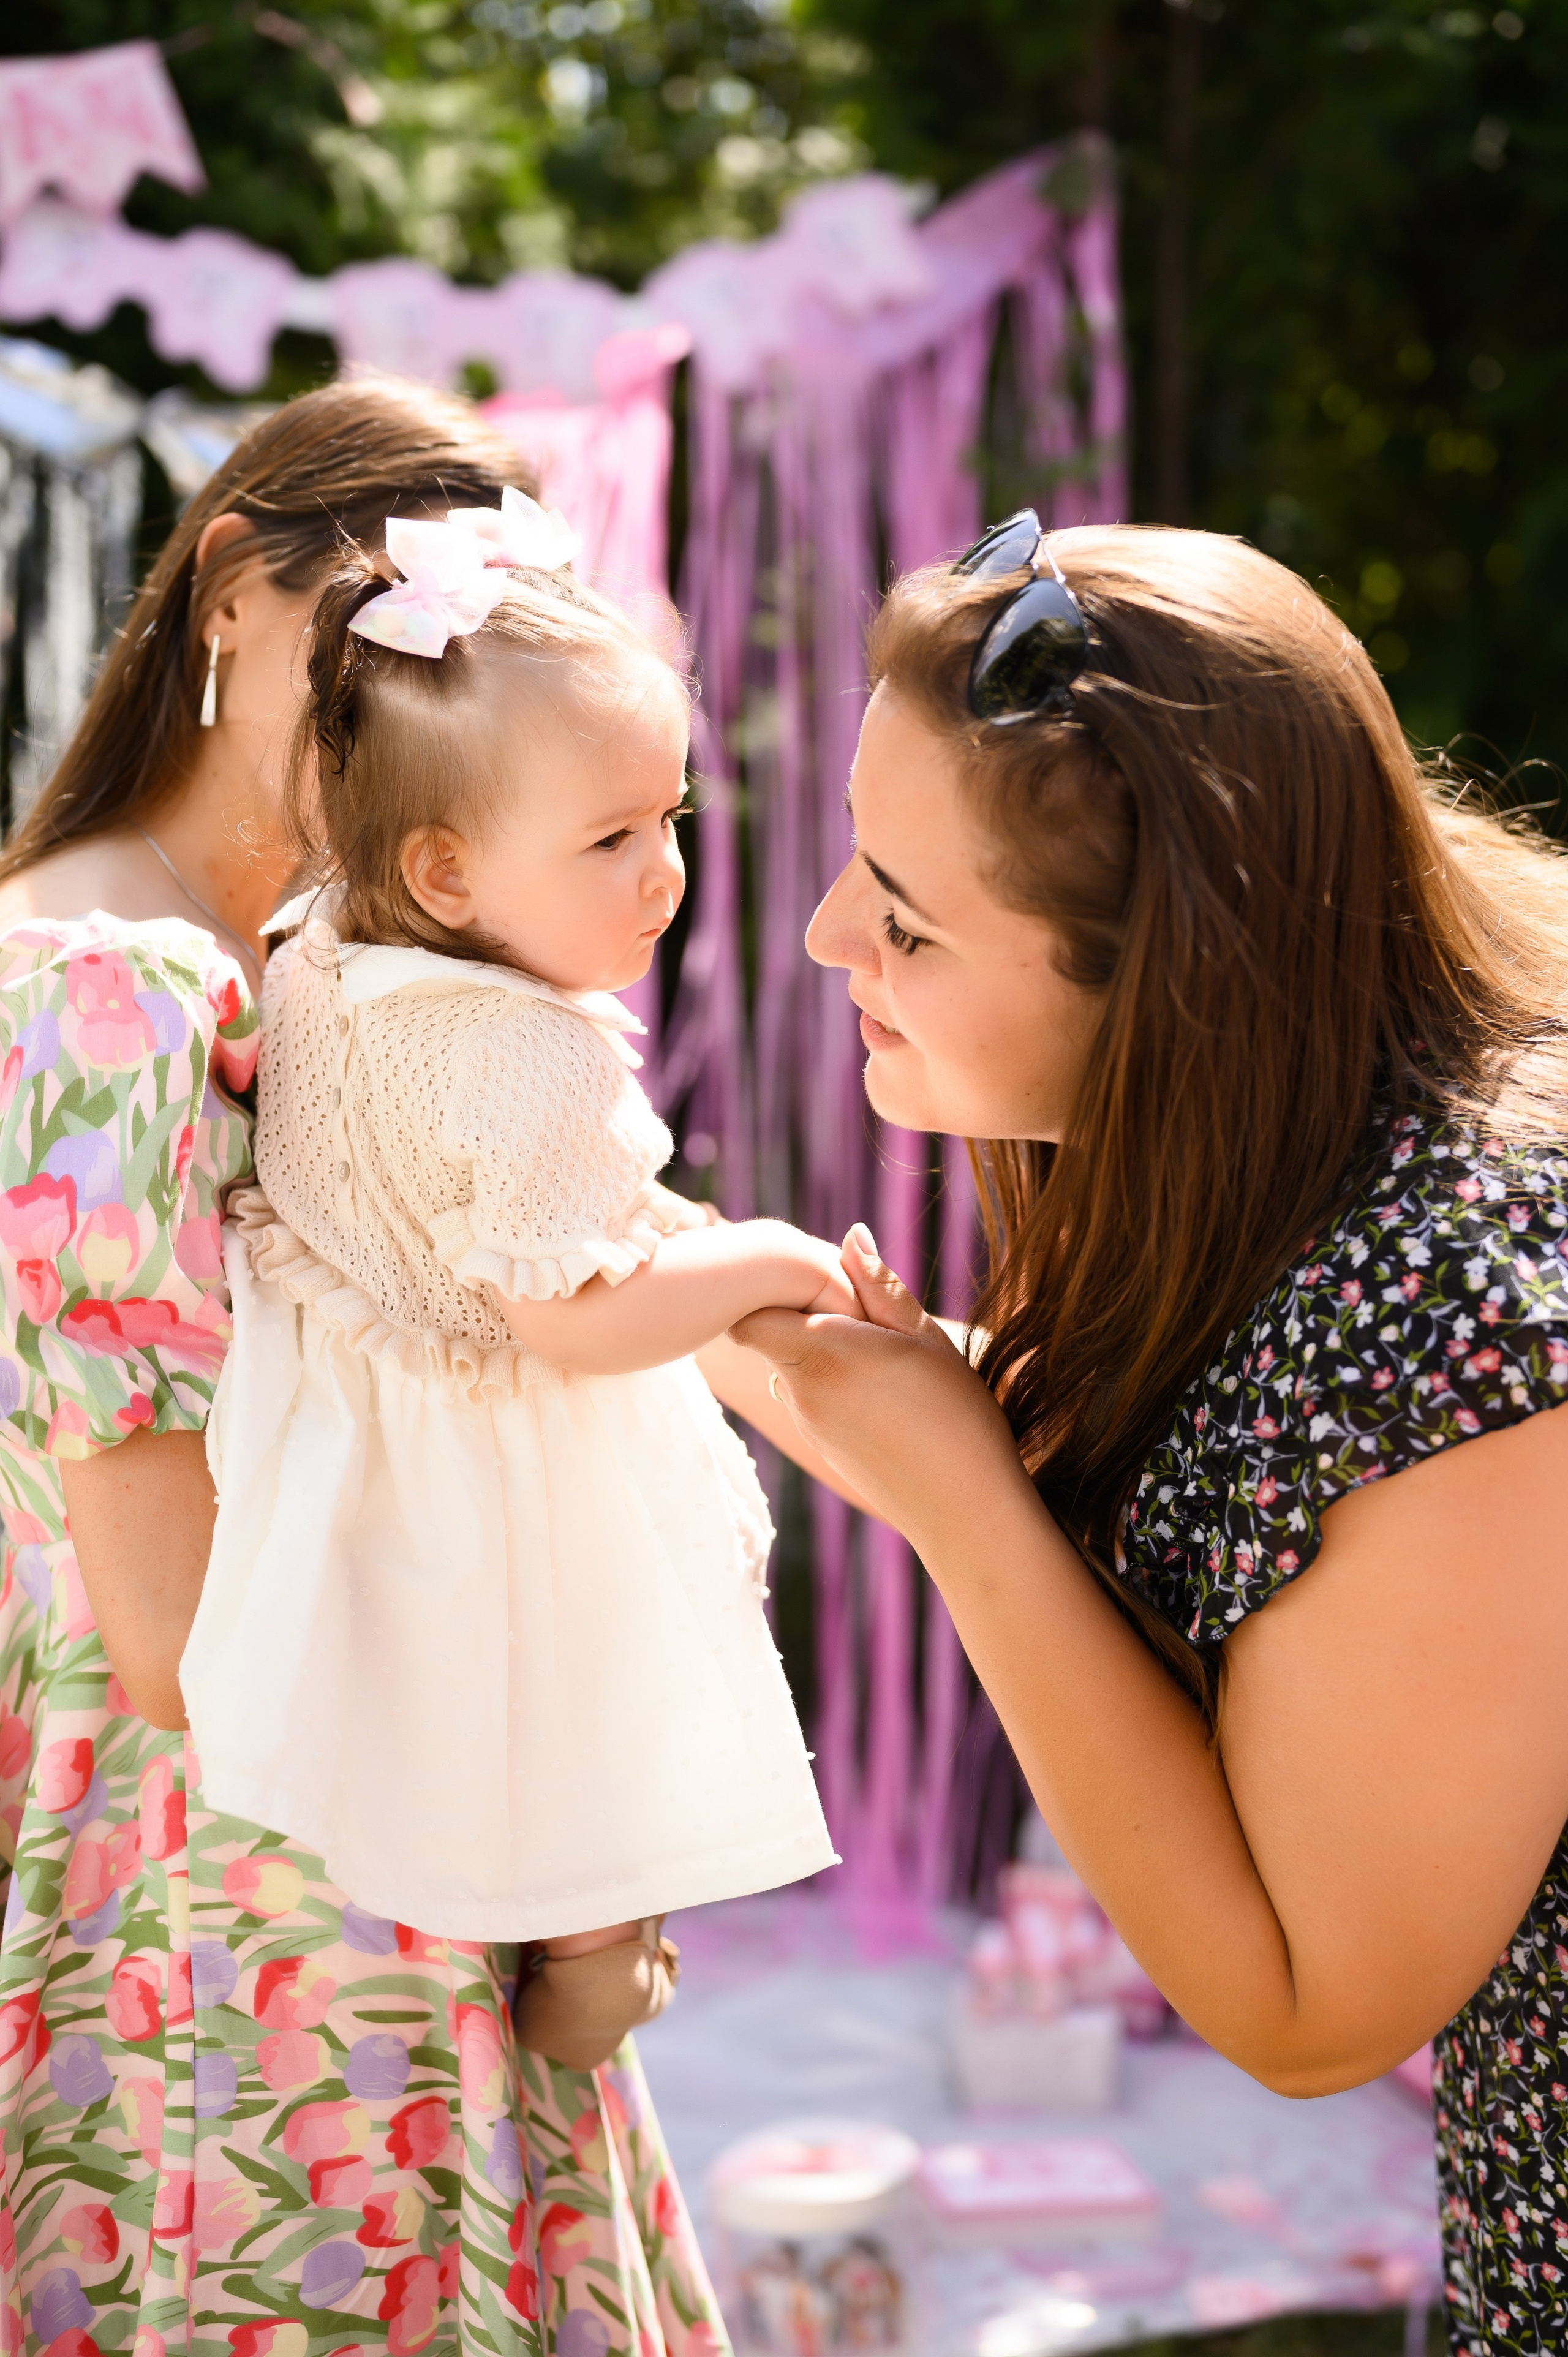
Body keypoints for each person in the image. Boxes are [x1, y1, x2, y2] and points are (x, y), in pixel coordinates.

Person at [730, 512, 1568, 2357]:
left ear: (1175, 977)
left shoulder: (1472, 1305)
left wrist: (960, 1499)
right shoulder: (1340, 1135)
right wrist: (688, 1306)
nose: (820, 934)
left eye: (906, 907)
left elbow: (1310, 2004)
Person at [0, 378, 728, 2357]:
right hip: (262, 1911)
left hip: (375, 1809)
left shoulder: (327, 969)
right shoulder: (113, 984)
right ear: (230, 591)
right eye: (376, 656)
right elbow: (162, 1630)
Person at [183, 496, 840, 2063]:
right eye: (611, 838)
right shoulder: (525, 1051)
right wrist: (757, 1254)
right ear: (449, 869)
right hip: (494, 1421)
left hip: (345, 1401)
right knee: (591, 1669)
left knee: (439, 1686)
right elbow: (569, 1316)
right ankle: (600, 1944)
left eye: (670, 816)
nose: (664, 871)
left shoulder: (328, 940)